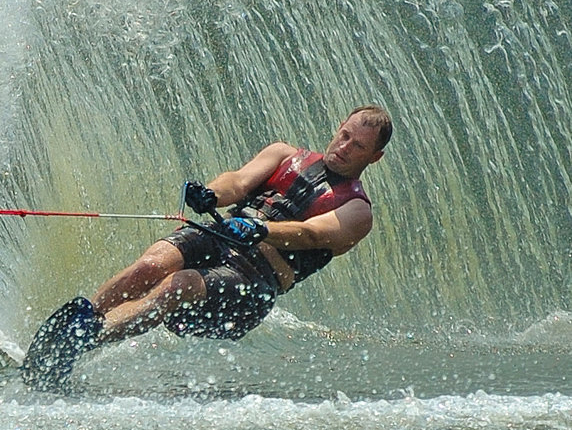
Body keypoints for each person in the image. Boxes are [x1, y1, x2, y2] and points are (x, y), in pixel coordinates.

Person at [21, 105, 393, 391]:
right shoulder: (284, 154)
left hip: (255, 279)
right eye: (344, 135)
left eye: (357, 145)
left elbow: (312, 233)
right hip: (222, 235)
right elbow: (238, 181)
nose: (344, 147)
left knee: (177, 284)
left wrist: (261, 230)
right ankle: (79, 326)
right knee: (151, 265)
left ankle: (78, 346)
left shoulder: (357, 211)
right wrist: (211, 193)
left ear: (373, 157)